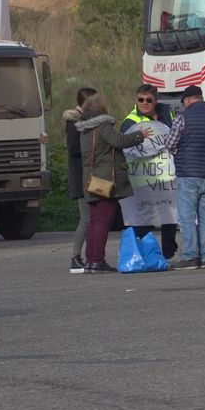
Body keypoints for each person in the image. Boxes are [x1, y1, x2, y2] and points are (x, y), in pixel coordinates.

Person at [73, 92, 147, 274]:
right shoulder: (103, 125)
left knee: (94, 222)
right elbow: (118, 141)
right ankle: (98, 260)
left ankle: (91, 260)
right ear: (101, 108)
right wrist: (140, 135)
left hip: (90, 181)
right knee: (103, 222)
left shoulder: (84, 130)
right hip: (105, 181)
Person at [162, 84, 205, 269]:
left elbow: (169, 143)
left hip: (189, 173)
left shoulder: (183, 118)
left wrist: (178, 151)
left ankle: (190, 256)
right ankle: (204, 256)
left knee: (187, 217)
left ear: (188, 100)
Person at [120, 85, 177, 260]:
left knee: (169, 215)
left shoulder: (168, 114)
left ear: (155, 100)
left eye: (148, 100)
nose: (144, 103)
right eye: (140, 100)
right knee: (145, 216)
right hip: (143, 178)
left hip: (166, 175)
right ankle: (143, 251)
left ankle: (169, 252)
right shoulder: (130, 121)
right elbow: (125, 146)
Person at [62, 86, 97, 273]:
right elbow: (75, 150)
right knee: (86, 219)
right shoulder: (75, 122)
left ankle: (89, 256)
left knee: (91, 218)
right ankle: (75, 257)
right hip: (81, 177)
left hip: (88, 176)